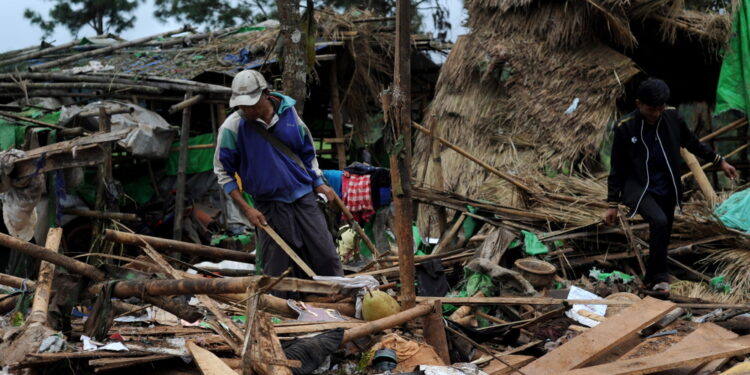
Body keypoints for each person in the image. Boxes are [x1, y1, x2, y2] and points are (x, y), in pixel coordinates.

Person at [605, 78, 737, 293]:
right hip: (637, 187)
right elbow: (617, 168)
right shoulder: (625, 127)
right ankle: (661, 277)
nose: (656, 114)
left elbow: (692, 143)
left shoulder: (672, 117)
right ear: (639, 104)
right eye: (651, 109)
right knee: (658, 221)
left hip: (666, 184)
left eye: (660, 108)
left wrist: (719, 161)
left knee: (663, 230)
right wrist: (612, 203)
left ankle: (650, 279)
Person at [213, 69, 344, 280]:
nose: (247, 109)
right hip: (268, 205)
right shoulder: (233, 127)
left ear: (266, 94)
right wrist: (247, 210)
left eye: (252, 104)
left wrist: (318, 182)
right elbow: (223, 173)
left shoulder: (289, 114)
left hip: (303, 197)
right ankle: (280, 309)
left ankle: (338, 297)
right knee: (277, 267)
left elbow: (306, 151)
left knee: (325, 254)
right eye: (243, 105)